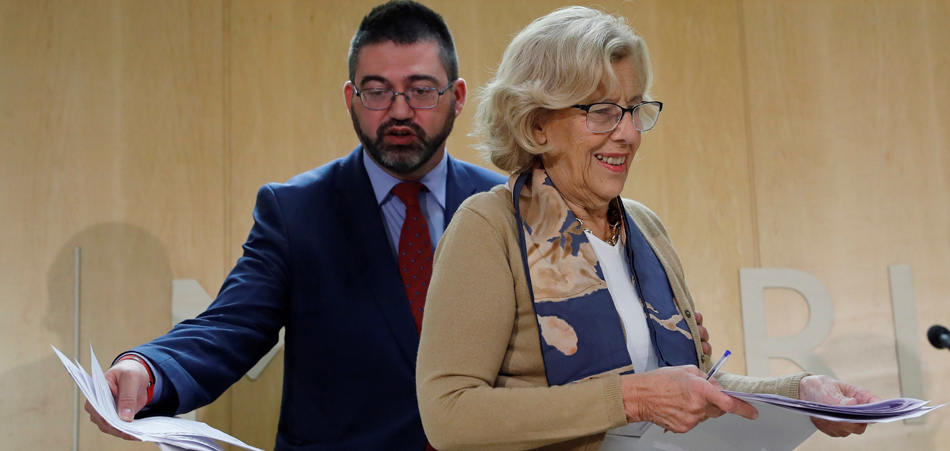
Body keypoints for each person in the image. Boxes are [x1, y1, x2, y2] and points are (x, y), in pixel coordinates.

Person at [415, 6, 879, 450]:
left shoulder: (644, 226)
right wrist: (632, 398)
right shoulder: (488, 228)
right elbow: (448, 414)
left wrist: (799, 394)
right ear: (537, 126)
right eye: (602, 112)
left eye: (634, 109)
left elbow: (686, 388)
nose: (628, 133)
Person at [84, 2, 506, 450]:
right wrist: (148, 368)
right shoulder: (296, 212)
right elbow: (231, 326)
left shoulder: (505, 207)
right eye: (377, 91)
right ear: (351, 99)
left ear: (457, 97)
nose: (399, 111)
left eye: (421, 90)